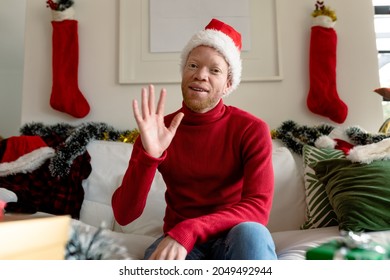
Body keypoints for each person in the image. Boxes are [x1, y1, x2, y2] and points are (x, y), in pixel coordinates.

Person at [111, 18, 277, 260]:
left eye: (215, 70)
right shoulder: (157, 130)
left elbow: (258, 209)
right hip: (182, 246)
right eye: (193, 65)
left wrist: (189, 229)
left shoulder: (251, 129)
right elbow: (124, 215)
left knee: (253, 233)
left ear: (228, 84)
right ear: (183, 72)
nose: (200, 75)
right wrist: (150, 157)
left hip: (231, 236)